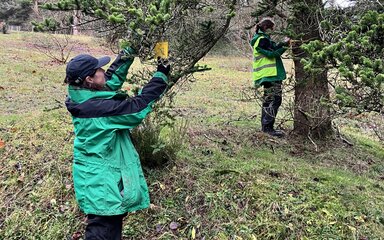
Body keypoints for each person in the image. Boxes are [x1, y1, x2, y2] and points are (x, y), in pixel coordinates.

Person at [64, 47, 171, 240]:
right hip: (101, 182)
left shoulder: (81, 94)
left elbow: (111, 81)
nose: (103, 72)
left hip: (96, 176)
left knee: (109, 227)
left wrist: (129, 51)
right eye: (99, 70)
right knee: (102, 231)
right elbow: (137, 107)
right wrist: (162, 73)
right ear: (89, 79)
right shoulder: (98, 108)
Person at [250, 17, 290, 137]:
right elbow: (272, 53)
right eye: (272, 29)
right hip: (270, 75)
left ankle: (266, 127)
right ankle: (268, 128)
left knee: (269, 100)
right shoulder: (262, 40)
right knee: (274, 100)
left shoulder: (263, 39)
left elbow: (273, 47)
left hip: (269, 75)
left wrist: (283, 43)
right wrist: (285, 46)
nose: (273, 32)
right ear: (266, 27)